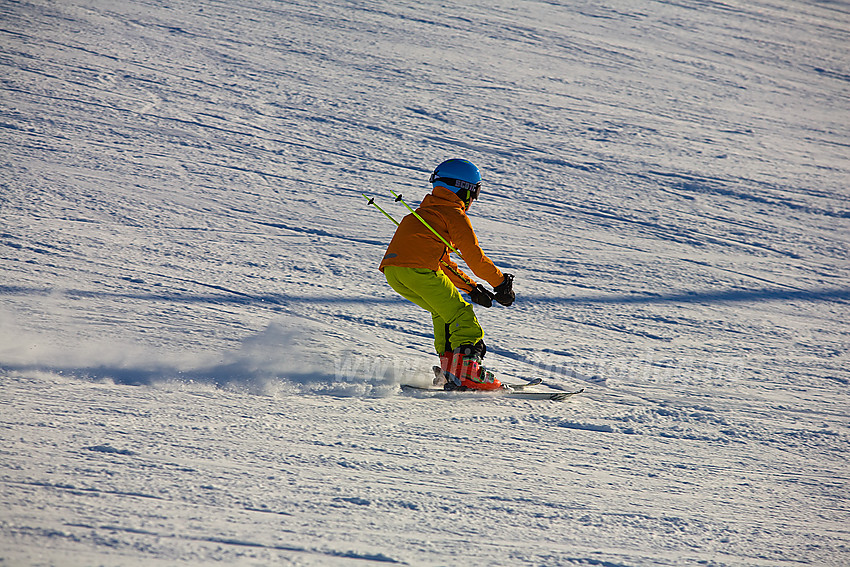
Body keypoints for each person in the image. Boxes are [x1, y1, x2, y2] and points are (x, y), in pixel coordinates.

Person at [379, 158, 515, 390]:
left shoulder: (421, 215)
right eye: (476, 193)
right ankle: (467, 373)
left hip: (394, 273)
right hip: (419, 270)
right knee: (462, 314)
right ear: (465, 190)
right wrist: (501, 283)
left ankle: (449, 369)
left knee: (443, 312)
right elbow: (474, 257)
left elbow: (440, 262)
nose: (473, 200)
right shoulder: (453, 214)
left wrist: (471, 288)